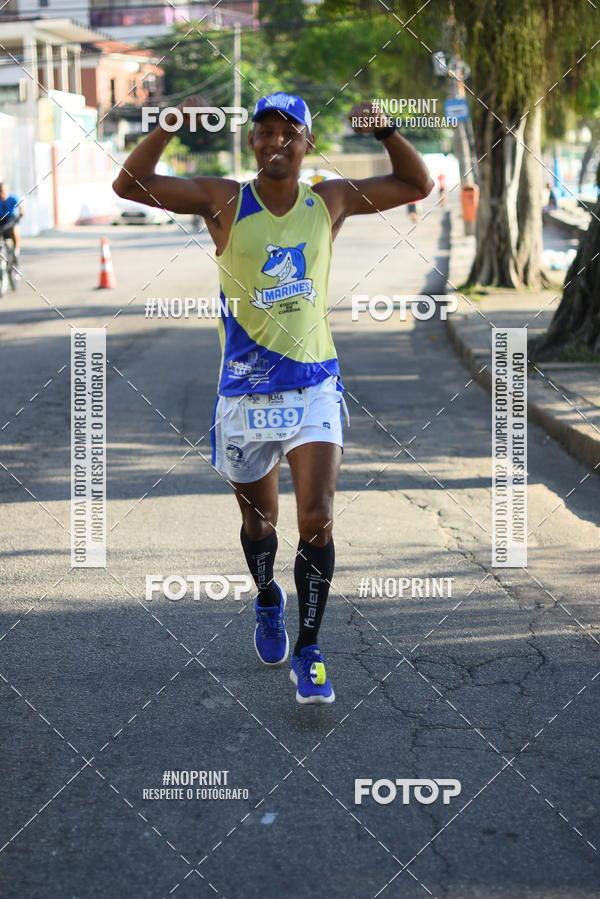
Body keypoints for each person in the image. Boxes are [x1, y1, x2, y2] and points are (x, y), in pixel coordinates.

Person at [112, 93, 433, 705]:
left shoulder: (329, 200)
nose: (275, 141)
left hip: (313, 384)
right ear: (251, 141)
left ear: (307, 142)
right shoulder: (223, 200)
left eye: (289, 131)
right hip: (245, 393)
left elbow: (415, 184)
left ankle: (309, 651)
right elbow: (130, 185)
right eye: (264, 131)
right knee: (259, 522)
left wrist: (386, 129)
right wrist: (166, 124)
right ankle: (267, 599)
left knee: (316, 517)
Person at [0, 181, 23, 260]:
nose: (2, 193)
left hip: (11, 219)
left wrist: (21, 214)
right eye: (1, 191)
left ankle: (16, 251)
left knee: (15, 229)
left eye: (3, 191)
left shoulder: (13, 198)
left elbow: (21, 207)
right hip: (1, 220)